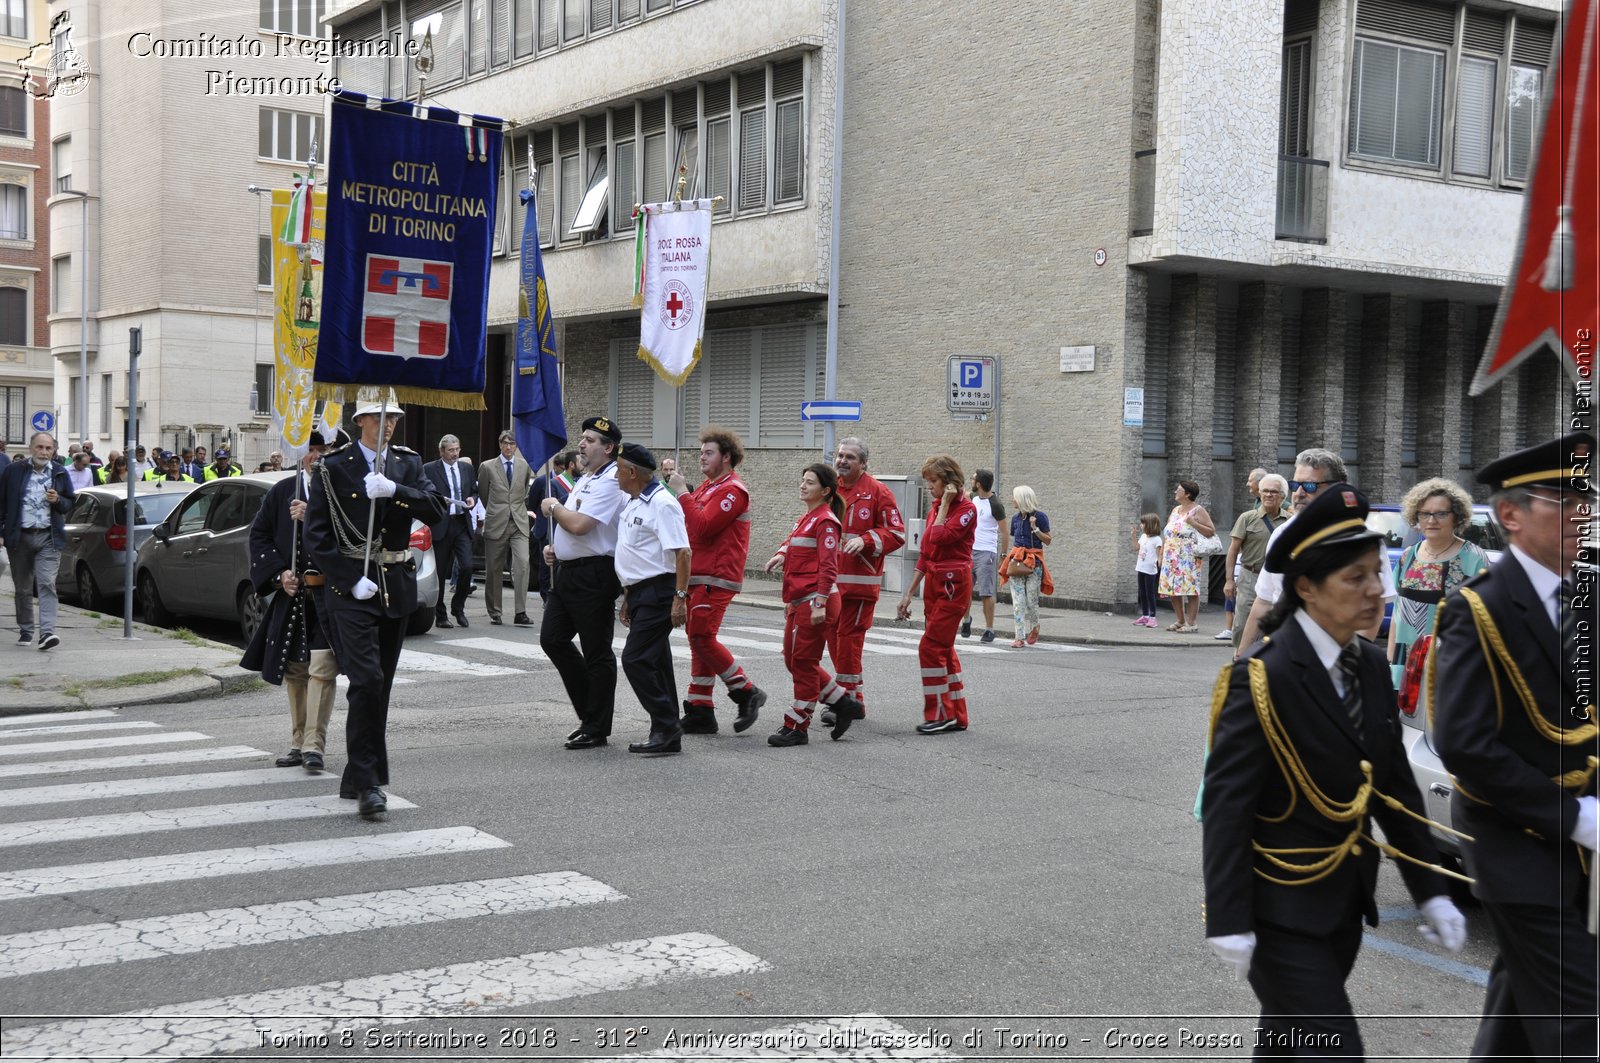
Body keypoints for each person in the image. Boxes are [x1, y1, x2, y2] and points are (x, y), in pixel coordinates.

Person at [1202, 481, 1467, 1056]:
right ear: (1306, 588)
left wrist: (1432, 890)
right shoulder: (1260, 679)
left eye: (1377, 572)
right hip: (1279, 910)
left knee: (1287, 1043)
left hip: (1345, 903)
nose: (1377, 590)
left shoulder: (1369, 666)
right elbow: (1228, 807)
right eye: (1356, 578)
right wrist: (1227, 915)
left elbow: (1393, 787)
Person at [1432, 431, 1597, 1061]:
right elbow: (1466, 743)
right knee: (1580, 1019)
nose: (1585, 514)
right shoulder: (1477, 609)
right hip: (1519, 848)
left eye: (1588, 499)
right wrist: (1578, 816)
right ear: (1510, 515)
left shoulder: (1588, 597)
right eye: (1566, 500)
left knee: (1520, 1013)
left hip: (1580, 853)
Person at [303, 397, 445, 818]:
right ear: (360, 420)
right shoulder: (332, 466)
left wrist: (395, 491)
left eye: (395, 419)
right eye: (380, 418)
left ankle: (356, 773)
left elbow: (435, 509)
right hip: (352, 590)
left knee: (378, 687)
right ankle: (370, 784)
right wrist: (348, 578)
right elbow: (317, 535)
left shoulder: (407, 464)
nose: (389, 426)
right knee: (365, 680)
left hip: (394, 585)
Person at [1237, 448, 1398, 654]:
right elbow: (1263, 601)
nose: (1299, 493)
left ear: (1337, 489)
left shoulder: (1363, 543)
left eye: (1310, 486)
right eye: (1296, 485)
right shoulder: (1282, 535)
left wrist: (1351, 662)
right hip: (1285, 649)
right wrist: (1241, 655)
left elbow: (1374, 609)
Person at [242, 432, 338, 773]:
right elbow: (260, 535)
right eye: (310, 450)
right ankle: (298, 742)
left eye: (323, 449)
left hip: (330, 594)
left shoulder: (340, 490)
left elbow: (353, 534)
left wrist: (312, 514)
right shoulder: (283, 491)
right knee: (296, 670)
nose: (316, 456)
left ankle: (315, 745)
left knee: (323, 669)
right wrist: (281, 573)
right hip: (294, 595)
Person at [669, 426, 768, 735]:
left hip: (717, 575)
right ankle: (700, 708)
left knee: (702, 636)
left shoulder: (731, 490)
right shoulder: (709, 488)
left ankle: (746, 691)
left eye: (708, 452)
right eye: (701, 452)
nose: (702, 457)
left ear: (727, 457)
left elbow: (702, 528)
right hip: (700, 573)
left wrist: (683, 493)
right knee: (697, 639)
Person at [539, 416, 627, 750]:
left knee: (596, 651)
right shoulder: (587, 478)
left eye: (590, 440)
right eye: (583, 438)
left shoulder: (610, 480)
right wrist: (556, 548)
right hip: (568, 572)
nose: (582, 443)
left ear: (608, 447)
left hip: (594, 574)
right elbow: (571, 528)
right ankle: (590, 712)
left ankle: (596, 726)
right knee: (553, 639)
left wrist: (553, 507)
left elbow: (581, 525)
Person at [764, 463, 864, 746]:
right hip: (800, 600)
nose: (802, 485)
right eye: (803, 480)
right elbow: (795, 543)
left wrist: (819, 602)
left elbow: (829, 566)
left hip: (816, 601)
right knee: (792, 660)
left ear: (825, 491)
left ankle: (797, 725)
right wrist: (782, 554)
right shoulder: (806, 518)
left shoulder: (826, 521)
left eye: (809, 482)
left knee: (804, 664)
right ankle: (843, 703)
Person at [820, 436, 906, 725]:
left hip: (859, 585)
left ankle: (849, 701)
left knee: (847, 643)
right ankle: (849, 698)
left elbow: (897, 534)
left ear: (864, 463)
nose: (842, 460)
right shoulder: (829, 489)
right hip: (830, 584)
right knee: (833, 642)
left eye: (850, 457)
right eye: (840, 455)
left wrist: (867, 539)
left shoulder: (877, 491)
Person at [613, 442, 692, 756]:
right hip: (642, 590)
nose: (616, 476)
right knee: (657, 661)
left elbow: (683, 552)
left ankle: (666, 724)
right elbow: (638, 554)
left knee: (635, 659)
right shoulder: (635, 501)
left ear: (632, 472)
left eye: (619, 469)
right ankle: (667, 728)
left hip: (661, 591)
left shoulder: (662, 503)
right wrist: (629, 596)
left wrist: (680, 598)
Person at [896, 454, 977, 734]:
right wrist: (908, 593)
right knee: (944, 649)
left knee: (930, 648)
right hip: (935, 581)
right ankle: (956, 715)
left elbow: (940, 537)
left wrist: (944, 506)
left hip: (953, 585)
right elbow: (926, 552)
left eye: (933, 482)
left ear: (949, 482)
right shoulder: (935, 508)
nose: (930, 487)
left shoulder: (966, 509)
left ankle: (941, 714)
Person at [1385, 477, 1489, 675]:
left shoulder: (1473, 558)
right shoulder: (1408, 556)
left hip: (1451, 667)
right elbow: (1397, 614)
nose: (1431, 520)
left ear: (1456, 516)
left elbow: (1483, 620)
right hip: (1404, 666)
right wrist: (1390, 660)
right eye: (1425, 514)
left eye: (1441, 513)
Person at [0, 432, 75, 650]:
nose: (44, 452)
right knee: (23, 588)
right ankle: (26, 629)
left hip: (48, 537)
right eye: (40, 447)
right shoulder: (14, 471)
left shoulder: (60, 472)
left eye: (48, 448)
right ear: (31, 448)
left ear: (54, 450)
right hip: (20, 537)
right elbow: (2, 503)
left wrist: (58, 500)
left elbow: (70, 503)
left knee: (46, 584)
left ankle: (47, 633)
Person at [1224, 472, 1287, 652]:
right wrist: (1229, 580)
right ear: (1259, 493)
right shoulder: (1247, 518)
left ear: (1283, 496)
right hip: (1250, 576)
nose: (1268, 495)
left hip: (1277, 579)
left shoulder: (1289, 522)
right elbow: (1233, 549)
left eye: (1274, 492)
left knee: (1276, 623)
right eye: (1265, 491)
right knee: (1242, 622)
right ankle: (1239, 657)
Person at [421, 434, 478, 629]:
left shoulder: (467, 468)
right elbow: (423, 493)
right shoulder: (429, 469)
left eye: (457, 449)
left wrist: (472, 499)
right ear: (442, 451)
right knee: (439, 573)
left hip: (461, 523)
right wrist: (437, 500)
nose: (455, 454)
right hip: (440, 525)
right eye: (451, 450)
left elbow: (473, 490)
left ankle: (458, 607)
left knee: (467, 567)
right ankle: (441, 615)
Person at [478, 430, 533, 626]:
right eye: (505, 443)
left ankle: (521, 611)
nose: (509, 447)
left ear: (517, 446)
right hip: (496, 521)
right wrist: (495, 510)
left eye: (512, 444)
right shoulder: (487, 466)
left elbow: (525, 490)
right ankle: (495, 611)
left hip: (518, 521)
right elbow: (483, 494)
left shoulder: (524, 466)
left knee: (522, 563)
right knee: (494, 568)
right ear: (500, 445)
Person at [1157, 479, 1215, 634]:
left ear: (1188, 494)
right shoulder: (1175, 510)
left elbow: (1211, 531)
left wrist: (1193, 523)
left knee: (1190, 589)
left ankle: (1192, 623)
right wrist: (1162, 554)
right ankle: (1180, 620)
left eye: (1179, 490)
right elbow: (1167, 533)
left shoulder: (1198, 510)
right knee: (1173, 589)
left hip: (1188, 556)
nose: (1176, 492)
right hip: (1171, 554)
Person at [1003, 485, 1053, 647]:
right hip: (1017, 562)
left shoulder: (1040, 517)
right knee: (1018, 602)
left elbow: (1048, 540)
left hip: (1034, 564)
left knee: (1031, 602)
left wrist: (1035, 528)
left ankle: (1035, 626)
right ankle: (1019, 637)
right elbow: (1016, 540)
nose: (1012, 500)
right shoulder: (1015, 519)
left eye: (1015, 497)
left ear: (1022, 499)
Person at [960, 468, 1006, 643]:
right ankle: (966, 621)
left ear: (978, 483)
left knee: (986, 592)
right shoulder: (973, 498)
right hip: (969, 551)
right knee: (965, 590)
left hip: (987, 552)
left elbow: (1004, 532)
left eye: (972, 479)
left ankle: (989, 629)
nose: (970, 481)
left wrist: (1002, 554)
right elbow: (960, 494)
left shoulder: (995, 504)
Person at [526, 458, 569, 603]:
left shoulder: (573, 482)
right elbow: (532, 502)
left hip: (562, 527)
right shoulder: (542, 481)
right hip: (545, 528)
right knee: (545, 567)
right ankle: (546, 598)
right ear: (556, 466)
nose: (564, 472)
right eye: (562, 468)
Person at [1132, 512, 1162, 627]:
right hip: (1141, 567)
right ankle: (1145, 616)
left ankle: (1153, 617)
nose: (1141, 525)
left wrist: (1160, 561)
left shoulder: (1157, 539)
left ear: (1149, 524)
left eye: (1143, 523)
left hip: (1150, 570)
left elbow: (1159, 554)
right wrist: (1133, 536)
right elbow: (1136, 548)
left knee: (1150, 593)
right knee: (1142, 592)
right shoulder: (1143, 537)